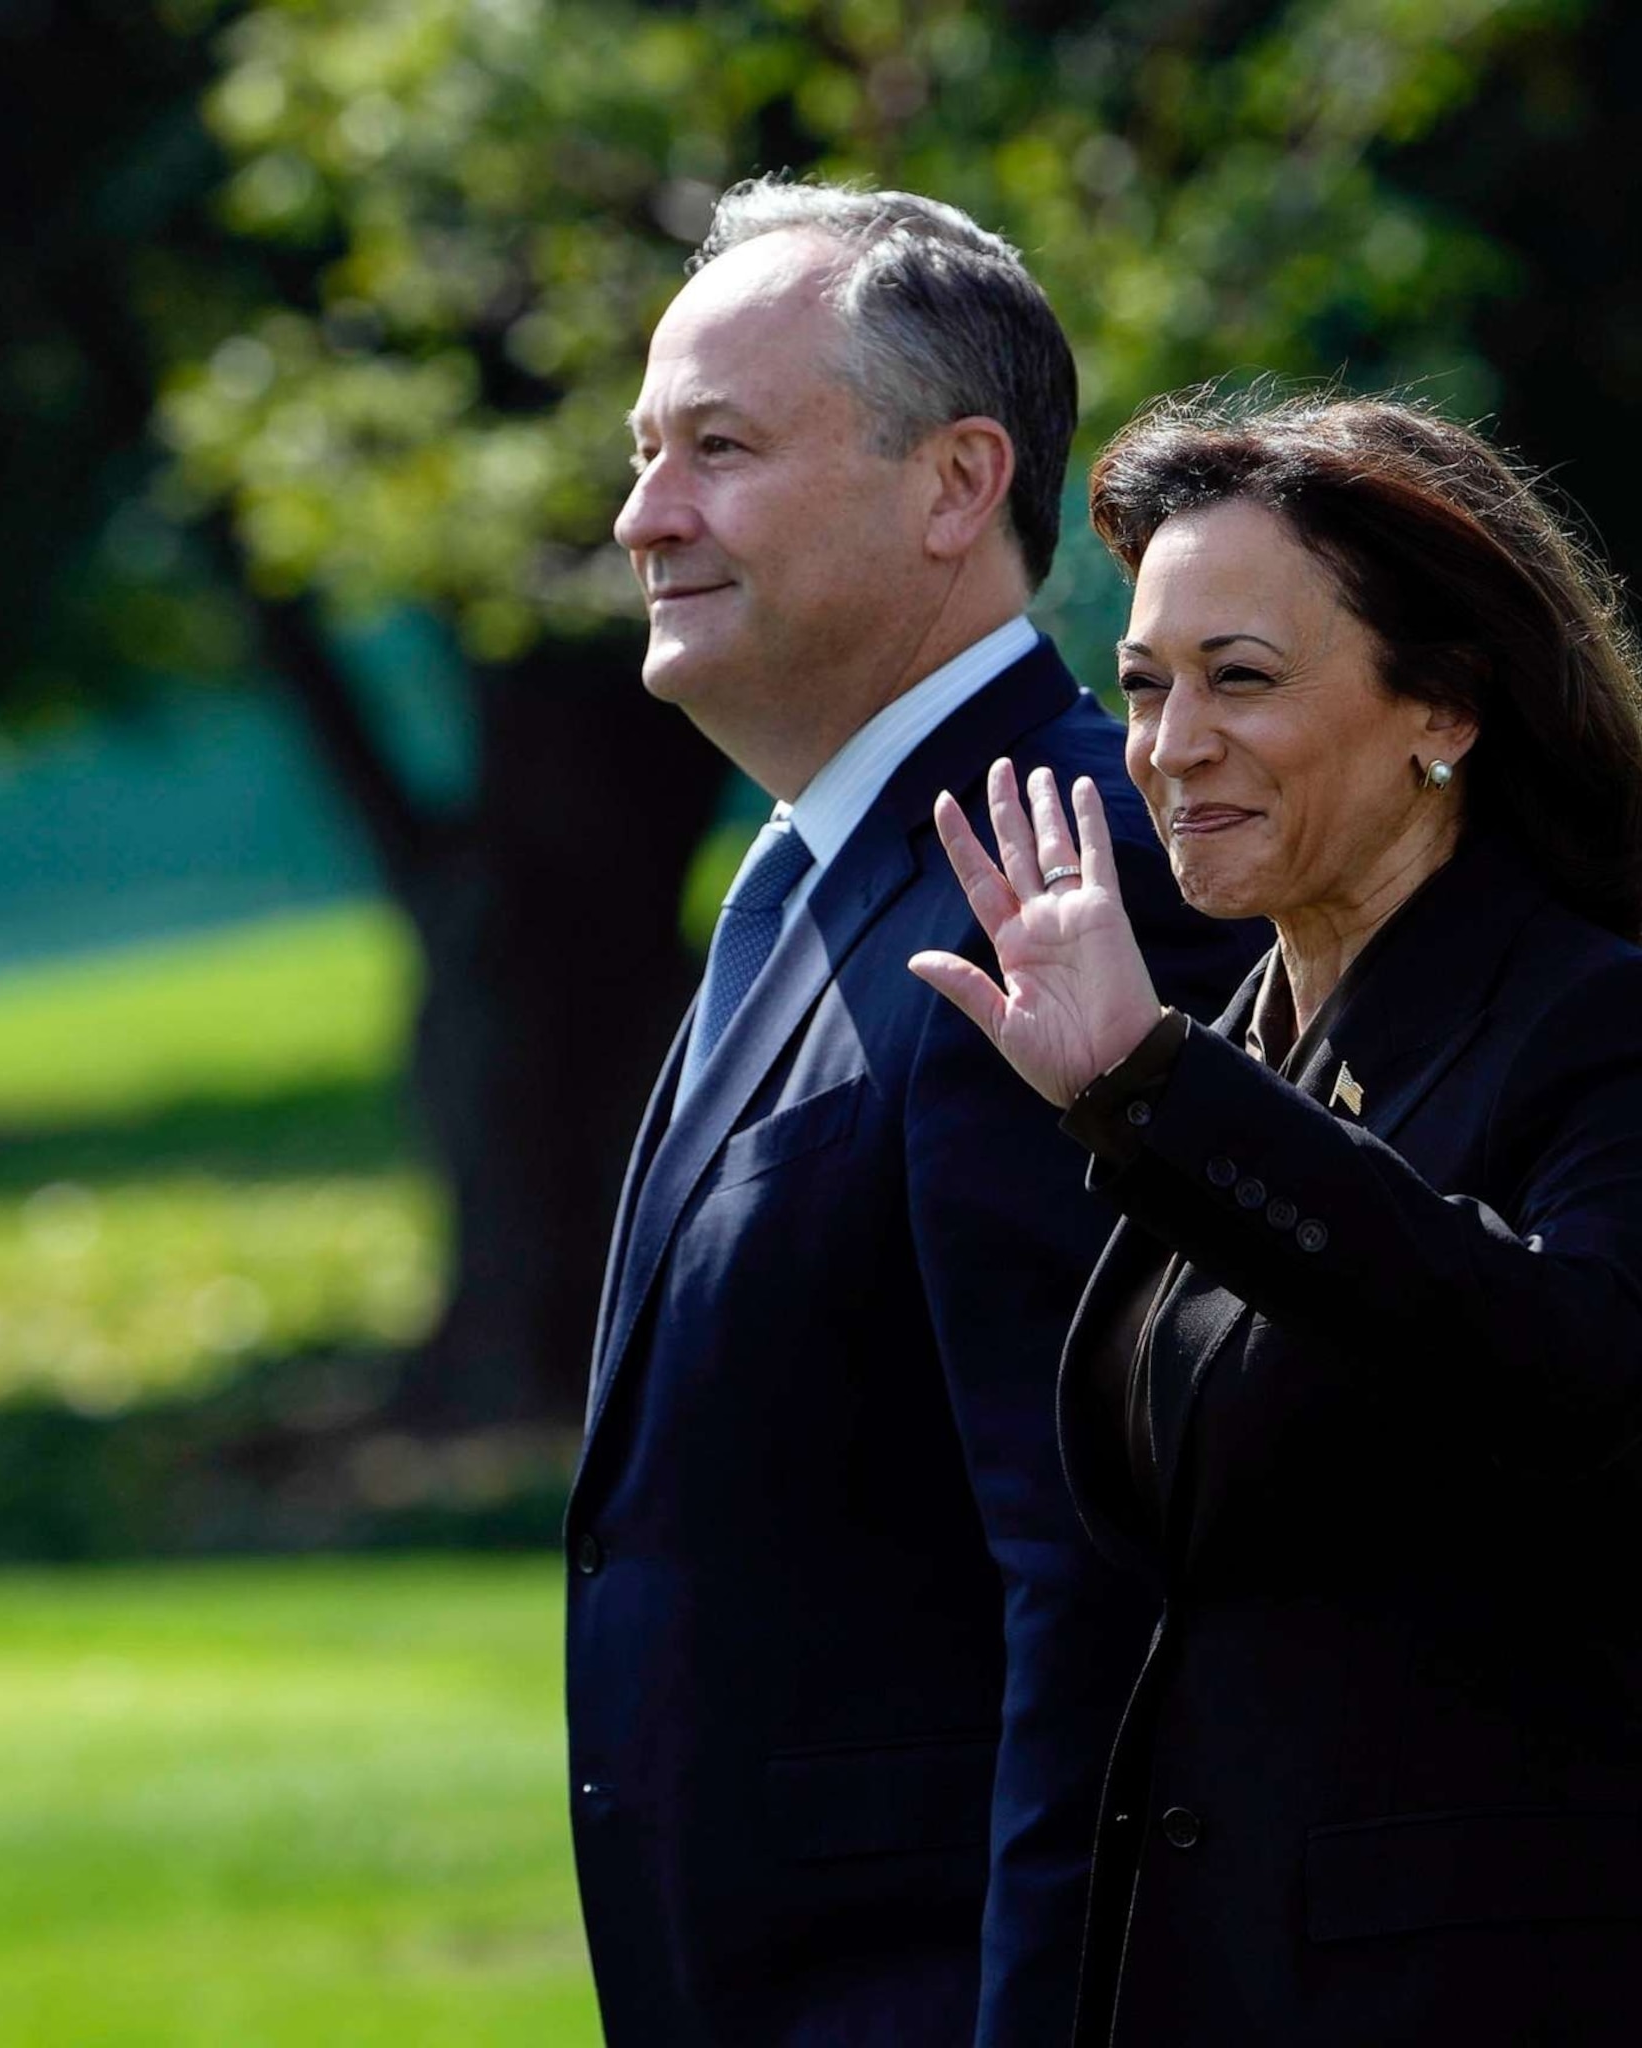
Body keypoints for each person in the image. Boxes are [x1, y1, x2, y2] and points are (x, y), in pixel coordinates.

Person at [908, 391, 1642, 2045]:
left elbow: (1572, 1373)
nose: (1172, 747)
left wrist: (1153, 1092)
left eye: (1241, 680)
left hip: (1516, 1977)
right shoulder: (1239, 1043)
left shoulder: (1605, 1028)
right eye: (1147, 688)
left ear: (1444, 710)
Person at [567, 179, 1260, 2048]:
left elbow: (1103, 1577)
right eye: (645, 453)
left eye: (719, 447)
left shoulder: (1077, 875)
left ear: (958, 486)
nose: (643, 516)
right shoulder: (803, 878)